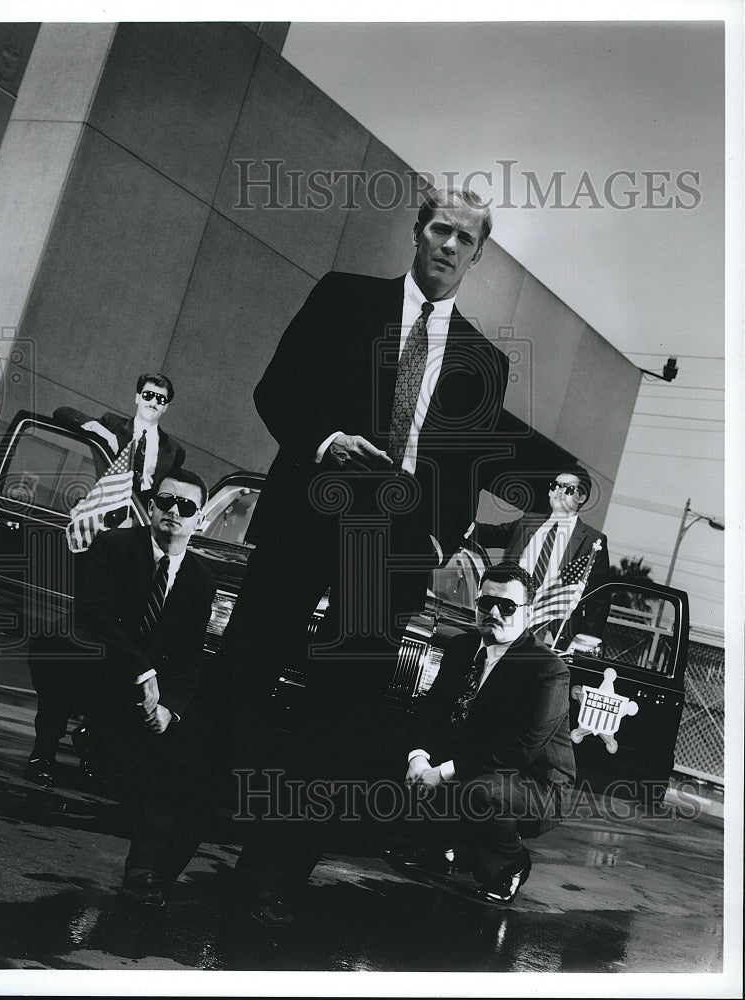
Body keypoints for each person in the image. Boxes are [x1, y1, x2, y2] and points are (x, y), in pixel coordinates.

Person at [221, 188, 510, 925]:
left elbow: (466, 470)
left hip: (391, 551)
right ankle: (165, 849)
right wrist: (325, 440)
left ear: (478, 253)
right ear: (417, 233)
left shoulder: (483, 360)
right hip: (309, 515)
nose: (448, 245)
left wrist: (437, 542)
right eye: (439, 228)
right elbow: (276, 389)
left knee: (339, 716)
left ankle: (276, 870)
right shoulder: (347, 299)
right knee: (238, 684)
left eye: (465, 238)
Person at [24, 470, 214, 819]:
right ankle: (44, 749)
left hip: (143, 685)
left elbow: (190, 656)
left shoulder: (201, 581)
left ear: (200, 519)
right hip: (97, 661)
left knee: (120, 773)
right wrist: (143, 671)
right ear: (153, 507)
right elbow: (94, 615)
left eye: (186, 506)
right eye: (166, 501)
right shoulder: (115, 544)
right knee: (62, 642)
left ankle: (97, 740)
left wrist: (169, 709)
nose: (174, 511)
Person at [405, 563, 575, 905]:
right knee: (392, 748)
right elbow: (434, 712)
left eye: (508, 607)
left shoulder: (547, 669)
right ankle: (441, 847)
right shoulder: (462, 648)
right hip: (481, 765)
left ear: (528, 612)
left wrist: (443, 771)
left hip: (536, 785)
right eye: (486, 603)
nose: (494, 612)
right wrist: (419, 757)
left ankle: (509, 866)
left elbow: (521, 748)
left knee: (478, 792)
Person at [473, 466, 610, 641]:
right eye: (555, 486)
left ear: (582, 497)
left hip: (550, 632)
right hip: (506, 618)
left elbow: (598, 601)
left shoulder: (592, 541)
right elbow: (487, 534)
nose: (559, 492)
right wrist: (460, 522)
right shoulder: (528, 522)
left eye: (568, 489)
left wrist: (588, 641)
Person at [55, 373, 185, 502]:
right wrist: (103, 432)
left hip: (141, 518)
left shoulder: (174, 450)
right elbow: (62, 413)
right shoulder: (112, 425)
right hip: (104, 511)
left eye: (160, 399)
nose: (153, 403)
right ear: (137, 398)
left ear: (165, 407)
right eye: (148, 396)